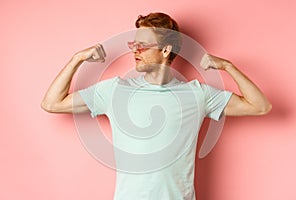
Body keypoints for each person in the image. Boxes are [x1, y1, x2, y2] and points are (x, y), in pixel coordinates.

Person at [41, 12, 272, 200]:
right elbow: (52, 103)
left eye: (142, 45)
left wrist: (228, 67)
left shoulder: (197, 94)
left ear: (165, 50)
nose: (134, 50)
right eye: (134, 44)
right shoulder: (114, 91)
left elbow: (260, 106)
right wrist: (76, 59)